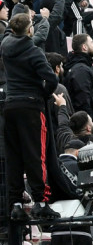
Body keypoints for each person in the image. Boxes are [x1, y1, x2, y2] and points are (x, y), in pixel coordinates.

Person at [3, 13, 60, 219]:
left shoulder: (5, 45)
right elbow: (51, 79)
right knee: (37, 155)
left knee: (14, 158)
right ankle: (41, 203)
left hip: (10, 105)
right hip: (31, 106)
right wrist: (43, 95)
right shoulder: (33, 51)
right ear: (29, 30)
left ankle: (16, 204)